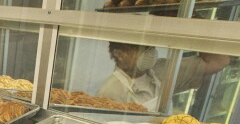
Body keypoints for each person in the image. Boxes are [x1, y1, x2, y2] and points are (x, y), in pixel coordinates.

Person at [96, 42, 230, 110]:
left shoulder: (163, 70)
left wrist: (192, 24)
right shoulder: (109, 91)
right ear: (119, 54)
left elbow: (219, 61)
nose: (150, 53)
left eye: (150, 46)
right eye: (141, 48)